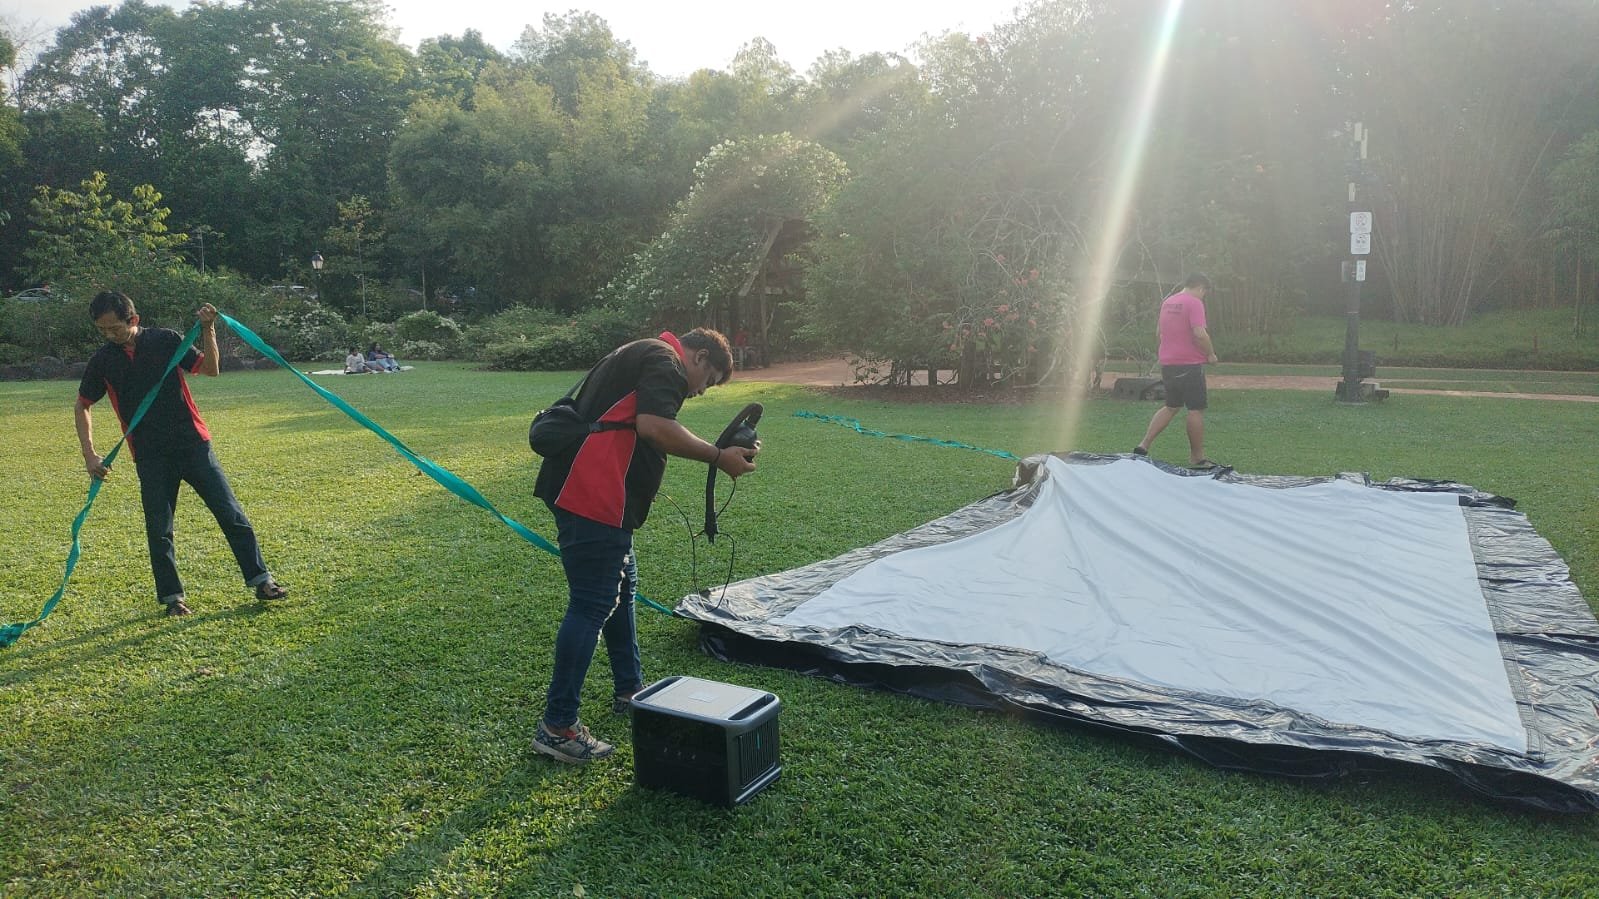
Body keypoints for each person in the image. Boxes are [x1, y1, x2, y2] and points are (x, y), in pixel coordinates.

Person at [530, 327, 757, 763]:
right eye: (708, 382)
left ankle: (629, 689)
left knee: (621, 589)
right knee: (592, 603)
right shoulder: (666, 362)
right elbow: (654, 426)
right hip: (594, 494)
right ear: (700, 357)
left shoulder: (644, 352)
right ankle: (557, 727)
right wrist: (718, 457)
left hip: (598, 495)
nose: (699, 392)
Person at [75, 292, 288, 617]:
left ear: (133, 319)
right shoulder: (103, 361)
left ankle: (262, 580)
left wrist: (208, 329)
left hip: (193, 444)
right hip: (149, 454)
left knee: (230, 513)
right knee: (159, 529)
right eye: (102, 330)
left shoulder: (165, 340)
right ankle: (173, 599)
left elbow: (210, 369)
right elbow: (82, 405)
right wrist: (90, 455)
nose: (109, 335)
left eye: (114, 328)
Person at [1134, 273, 1220, 469]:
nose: (1203, 296)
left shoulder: (1168, 302)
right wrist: (1211, 354)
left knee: (1171, 406)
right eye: (1204, 292)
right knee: (1195, 409)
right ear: (1201, 288)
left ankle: (1143, 444)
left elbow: (1159, 333)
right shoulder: (1194, 303)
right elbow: (1200, 333)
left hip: (1168, 363)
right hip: (1189, 365)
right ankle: (1197, 457)